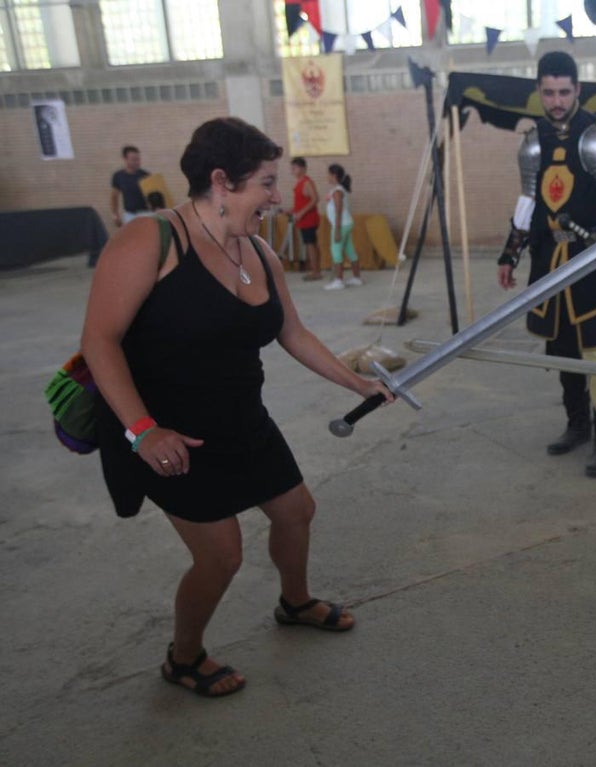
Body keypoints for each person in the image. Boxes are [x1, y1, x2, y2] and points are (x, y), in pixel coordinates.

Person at [80, 117, 394, 698]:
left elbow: (291, 333)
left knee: (297, 511)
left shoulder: (258, 252)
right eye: (267, 184)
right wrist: (144, 432)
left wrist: (357, 384)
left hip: (242, 419)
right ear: (222, 182)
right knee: (221, 556)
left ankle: (294, 602)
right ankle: (184, 656)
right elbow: (99, 341)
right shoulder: (150, 241)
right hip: (170, 432)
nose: (277, 198)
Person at [497, 51, 596, 478]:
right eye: (549, 92)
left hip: (594, 260)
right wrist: (510, 253)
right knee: (562, 350)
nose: (557, 101)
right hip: (550, 262)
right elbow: (528, 200)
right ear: (539, 91)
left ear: (577, 89)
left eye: (564, 92)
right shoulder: (534, 139)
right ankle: (577, 425)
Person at [323, 163, 362, 291]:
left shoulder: (338, 191)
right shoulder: (338, 189)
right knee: (349, 250)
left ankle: (338, 281)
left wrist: (337, 230)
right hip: (346, 223)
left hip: (341, 225)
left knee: (336, 252)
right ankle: (357, 278)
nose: (327, 177)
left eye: (328, 174)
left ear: (334, 175)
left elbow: (338, 210)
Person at [289, 157, 323, 281]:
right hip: (303, 219)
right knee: (311, 244)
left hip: (309, 219)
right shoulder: (299, 183)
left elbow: (315, 199)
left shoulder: (307, 182)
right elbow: (301, 203)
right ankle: (316, 269)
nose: (292, 171)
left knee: (310, 245)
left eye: (295, 168)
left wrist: (301, 213)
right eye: (291, 168)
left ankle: (316, 272)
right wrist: (290, 211)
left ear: (303, 168)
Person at [110, 145, 150, 228]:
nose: (137, 162)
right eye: (133, 159)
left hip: (146, 213)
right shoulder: (118, 176)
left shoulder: (145, 175)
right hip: (129, 214)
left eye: (138, 159)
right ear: (125, 159)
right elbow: (114, 196)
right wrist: (115, 214)